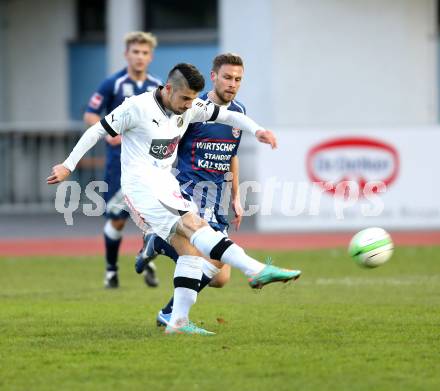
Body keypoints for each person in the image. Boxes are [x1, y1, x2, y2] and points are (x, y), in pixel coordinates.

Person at [47, 63, 301, 336]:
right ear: (168, 89)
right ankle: (256, 269)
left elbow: (228, 117)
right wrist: (68, 165)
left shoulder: (190, 107)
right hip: (141, 188)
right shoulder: (137, 107)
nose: (189, 105)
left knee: (190, 253)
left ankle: (177, 323)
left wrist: (258, 130)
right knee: (196, 228)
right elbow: (97, 130)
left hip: (166, 185)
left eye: (193, 99)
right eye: (184, 99)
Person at [134, 53, 249, 327]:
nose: (232, 84)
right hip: (191, 192)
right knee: (213, 258)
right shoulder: (192, 108)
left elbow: (231, 155)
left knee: (220, 278)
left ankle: (158, 242)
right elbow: (166, 144)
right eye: (227, 77)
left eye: (238, 79)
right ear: (213, 77)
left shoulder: (240, 112)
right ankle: (171, 313)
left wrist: (236, 196)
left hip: (218, 194)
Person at [83, 31, 162, 289]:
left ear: (150, 57)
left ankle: (148, 260)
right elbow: (91, 115)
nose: (139, 57)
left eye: (144, 53)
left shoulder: (157, 86)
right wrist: (110, 132)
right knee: (117, 218)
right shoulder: (113, 84)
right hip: (118, 164)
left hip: (150, 165)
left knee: (152, 216)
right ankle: (111, 270)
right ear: (126, 54)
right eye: (135, 52)